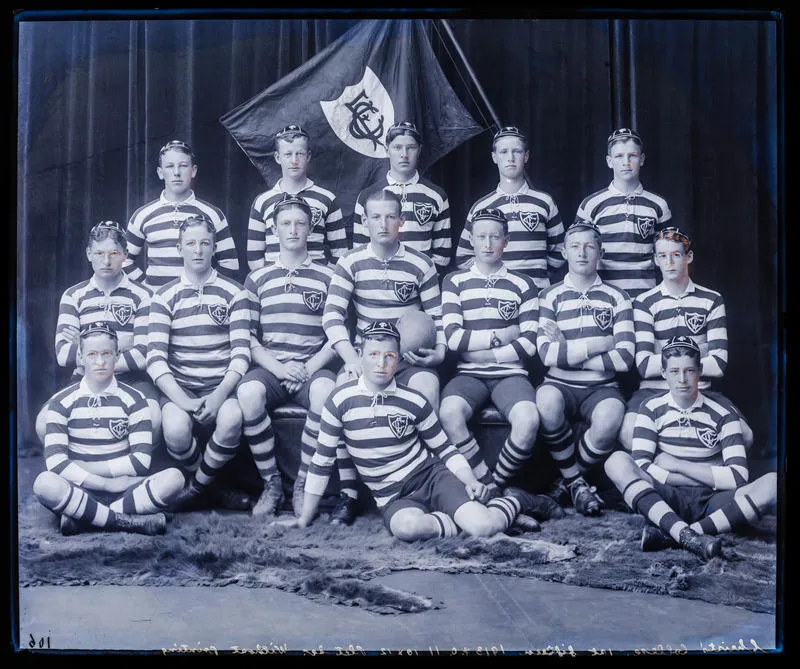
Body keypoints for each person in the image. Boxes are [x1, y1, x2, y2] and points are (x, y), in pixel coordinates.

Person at [275, 321, 555, 539]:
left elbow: (445, 449)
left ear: (398, 360)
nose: (381, 364)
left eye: (388, 357)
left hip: (431, 477)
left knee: (484, 528)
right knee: (407, 529)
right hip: (392, 495)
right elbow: (321, 462)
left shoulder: (413, 399)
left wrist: (468, 479)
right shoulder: (340, 400)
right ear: (359, 356)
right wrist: (304, 518)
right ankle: (468, 518)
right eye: (373, 355)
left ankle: (517, 500)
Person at [321, 188, 447, 524]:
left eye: (391, 216)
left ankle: (428, 483)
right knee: (341, 392)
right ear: (364, 222)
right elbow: (332, 316)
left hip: (407, 358)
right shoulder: (351, 261)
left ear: (401, 222)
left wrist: (439, 353)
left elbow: (438, 317)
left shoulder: (421, 262)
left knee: (427, 386)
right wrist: (350, 358)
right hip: (367, 356)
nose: (383, 223)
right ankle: (348, 494)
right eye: (376, 216)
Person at [604, 336, 776, 560]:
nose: (682, 379)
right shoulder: (651, 408)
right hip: (669, 498)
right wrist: (700, 477)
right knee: (616, 461)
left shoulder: (724, 412)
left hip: (714, 501)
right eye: (674, 371)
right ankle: (687, 534)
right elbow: (642, 466)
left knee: (773, 482)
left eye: (689, 371)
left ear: (700, 371)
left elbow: (737, 478)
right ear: (664, 373)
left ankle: (677, 535)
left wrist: (678, 465)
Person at [237, 194, 338, 517]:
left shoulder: (329, 276)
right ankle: (272, 483)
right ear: (274, 230)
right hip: (272, 367)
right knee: (248, 392)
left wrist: (307, 368)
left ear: (310, 230)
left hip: (312, 367)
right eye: (285, 224)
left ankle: (303, 484)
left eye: (300, 224)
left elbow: (337, 336)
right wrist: (279, 368)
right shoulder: (258, 278)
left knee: (326, 392)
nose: (293, 230)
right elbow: (248, 338)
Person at [33, 322, 184, 536]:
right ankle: (128, 521)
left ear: (117, 355)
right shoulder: (61, 402)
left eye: (106, 354)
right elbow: (56, 464)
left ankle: (85, 519)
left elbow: (140, 462)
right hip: (79, 486)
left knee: (174, 478)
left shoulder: (135, 399)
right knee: (44, 483)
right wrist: (105, 484)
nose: (100, 362)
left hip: (123, 488)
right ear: (81, 357)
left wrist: (89, 468)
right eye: (92, 354)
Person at [439, 208, 549, 500]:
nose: (487, 243)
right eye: (481, 237)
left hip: (511, 375)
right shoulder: (454, 281)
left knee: (528, 420)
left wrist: (484, 355)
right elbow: (452, 338)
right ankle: (485, 480)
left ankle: (495, 484)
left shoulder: (523, 284)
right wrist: (501, 336)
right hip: (468, 375)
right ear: (471, 241)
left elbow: (529, 343)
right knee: (449, 413)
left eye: (494, 237)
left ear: (506, 241)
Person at [147, 214, 252, 511]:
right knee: (175, 430)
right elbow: (155, 358)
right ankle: (214, 487)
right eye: (190, 243)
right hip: (181, 389)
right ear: (179, 248)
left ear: (214, 247)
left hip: (221, 387)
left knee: (231, 418)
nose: (197, 250)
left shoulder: (235, 292)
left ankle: (196, 488)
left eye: (204, 243)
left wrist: (220, 394)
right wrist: (184, 400)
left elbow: (241, 354)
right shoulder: (163, 296)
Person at [620, 227, 754, 451]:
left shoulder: (711, 300)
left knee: (746, 437)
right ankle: (668, 476)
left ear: (689, 257)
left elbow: (719, 364)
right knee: (627, 434)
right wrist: (698, 353)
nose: (669, 262)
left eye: (676, 254)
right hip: (653, 389)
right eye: (662, 256)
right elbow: (644, 365)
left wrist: (663, 356)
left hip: (699, 389)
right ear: (655, 260)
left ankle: (696, 474)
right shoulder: (644, 302)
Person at [536, 220, 635, 516]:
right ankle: (577, 483)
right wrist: (600, 343)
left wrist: (568, 349)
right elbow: (545, 354)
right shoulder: (549, 296)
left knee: (611, 417)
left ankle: (568, 481)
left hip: (601, 387)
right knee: (545, 401)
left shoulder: (618, 297)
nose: (582, 253)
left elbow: (625, 357)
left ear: (600, 253)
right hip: (559, 384)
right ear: (565, 252)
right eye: (575, 247)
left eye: (590, 247)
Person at [35, 220, 160, 447]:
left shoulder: (143, 295)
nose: (106, 261)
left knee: (153, 418)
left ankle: (126, 468)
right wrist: (120, 347)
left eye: (113, 253)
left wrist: (88, 350)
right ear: (88, 254)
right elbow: (63, 353)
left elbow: (143, 354)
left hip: (130, 379)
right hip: (83, 378)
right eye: (99, 253)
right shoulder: (74, 295)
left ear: (125, 254)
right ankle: (86, 470)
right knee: (44, 423)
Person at [454, 126, 565, 292]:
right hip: (496, 295)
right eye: (504, 152)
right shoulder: (481, 207)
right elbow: (463, 256)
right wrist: (490, 276)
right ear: (494, 157)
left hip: (537, 293)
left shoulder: (544, 202)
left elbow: (560, 250)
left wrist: (537, 274)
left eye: (517, 151)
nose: (510, 158)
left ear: (526, 156)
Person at [124, 139, 240, 290]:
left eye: (183, 166)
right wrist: (148, 289)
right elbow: (123, 261)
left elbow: (230, 263)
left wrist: (206, 290)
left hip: (198, 305)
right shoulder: (143, 215)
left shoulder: (212, 214)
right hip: (157, 305)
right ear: (160, 172)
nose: (176, 172)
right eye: (170, 166)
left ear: (193, 171)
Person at [574, 128, 672, 299]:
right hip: (603, 296)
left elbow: (667, 254)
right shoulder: (591, 204)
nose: (626, 162)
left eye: (632, 156)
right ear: (609, 161)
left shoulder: (658, 205)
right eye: (619, 156)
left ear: (641, 159)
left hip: (645, 295)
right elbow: (578, 252)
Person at [352, 121, 452, 272]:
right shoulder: (367, 196)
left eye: (411, 148)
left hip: (420, 284)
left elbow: (442, 254)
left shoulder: (436, 195)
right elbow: (359, 249)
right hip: (378, 284)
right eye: (397, 147)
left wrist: (422, 278)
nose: (404, 155)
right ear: (387, 150)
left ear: (419, 150)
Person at [246, 124, 347, 271]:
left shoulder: (327, 199)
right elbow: (254, 256)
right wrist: (269, 280)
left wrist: (324, 278)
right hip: (274, 284)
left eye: (299, 154)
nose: (294, 160)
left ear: (308, 156)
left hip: (315, 285)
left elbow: (340, 253)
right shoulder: (262, 201)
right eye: (288, 154)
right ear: (277, 157)